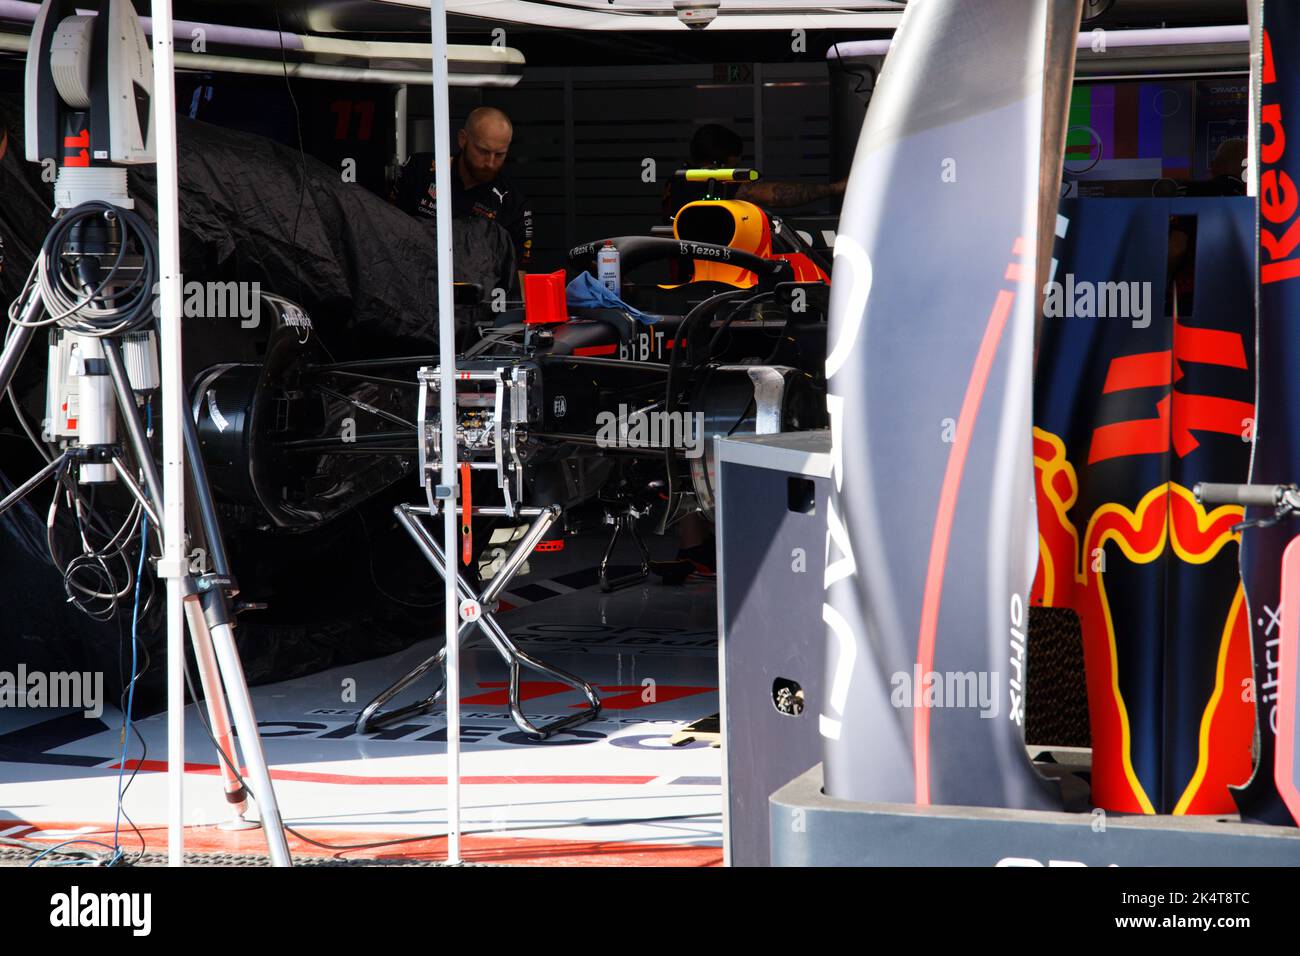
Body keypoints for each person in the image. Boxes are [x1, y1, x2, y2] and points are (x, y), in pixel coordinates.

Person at [392, 106, 535, 275]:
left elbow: (520, 275)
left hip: (474, 295)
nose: (490, 163)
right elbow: (385, 229)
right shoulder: (419, 169)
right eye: (483, 151)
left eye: (499, 155)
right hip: (407, 280)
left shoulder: (513, 204)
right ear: (462, 139)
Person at [662, 123, 847, 223]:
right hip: (708, 276)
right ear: (718, 163)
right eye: (732, 166)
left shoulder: (678, 180)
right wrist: (835, 188)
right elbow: (774, 195)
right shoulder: (706, 182)